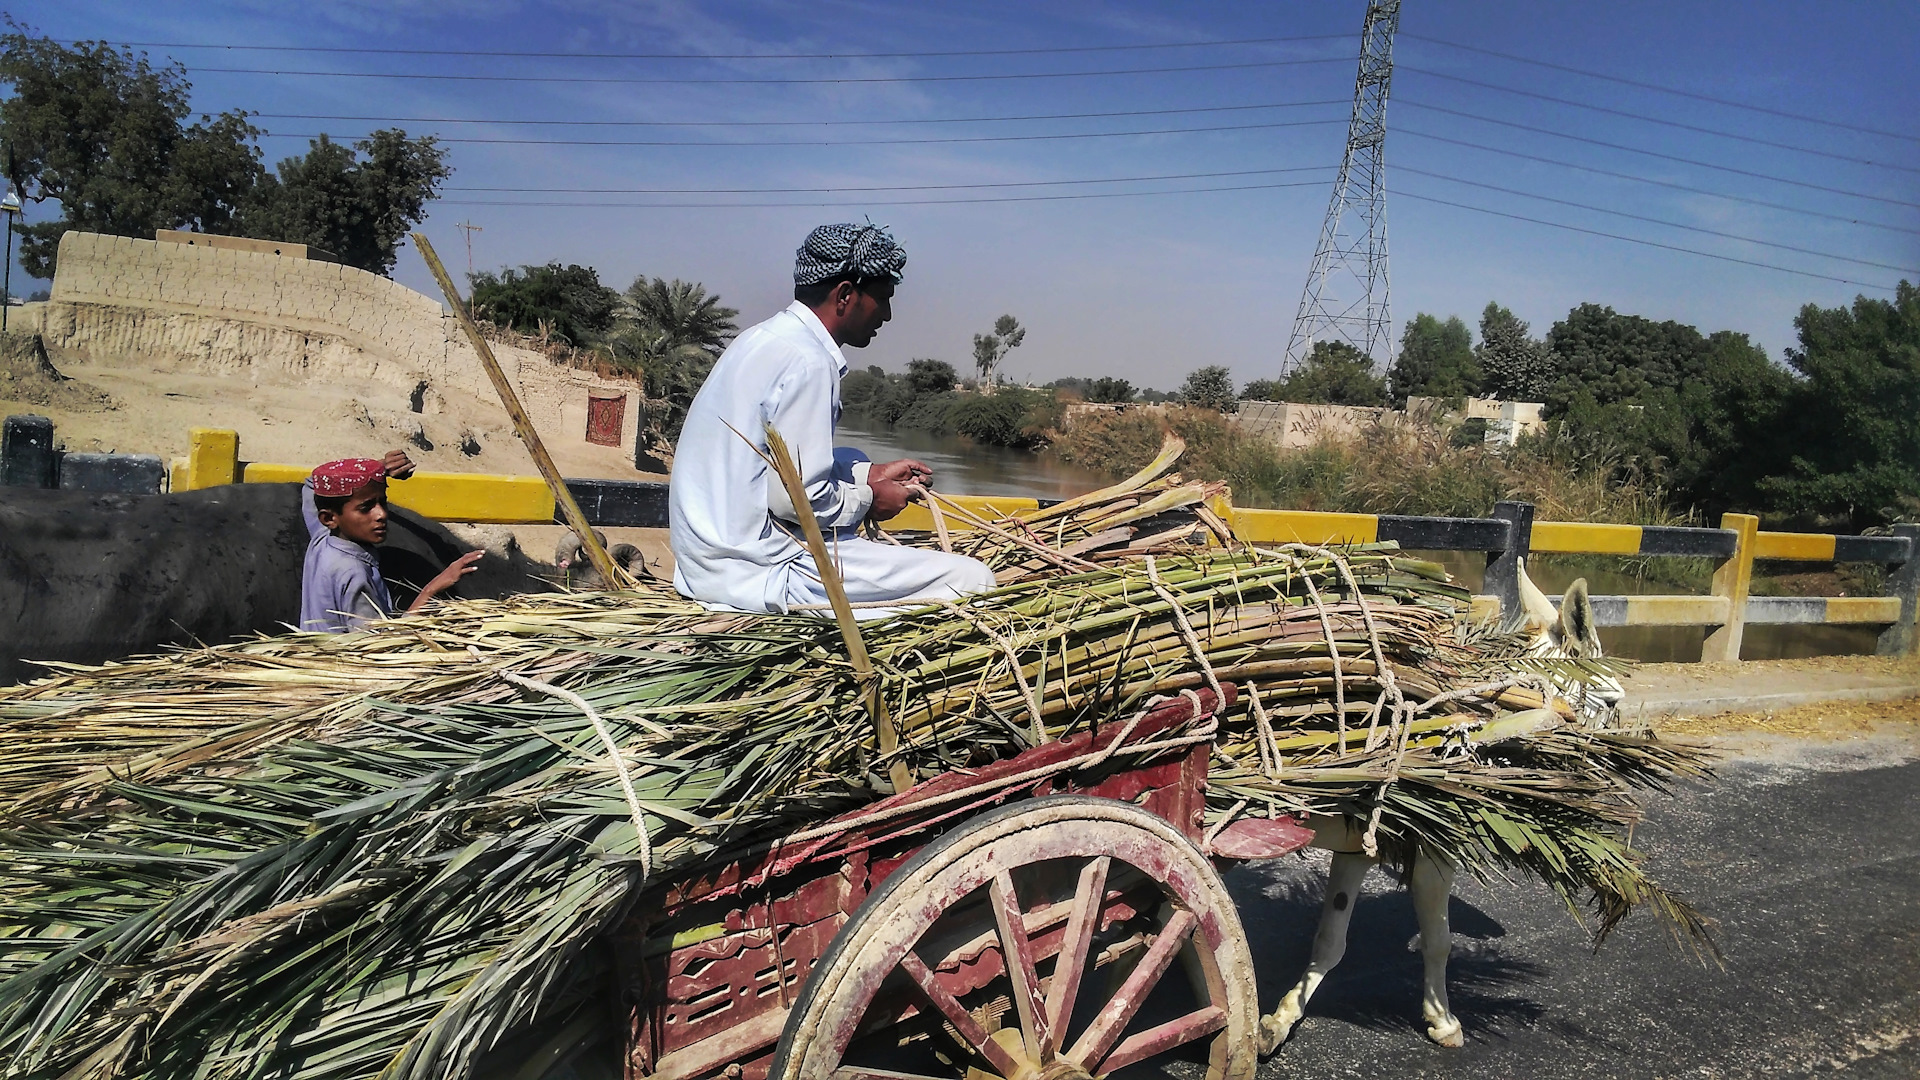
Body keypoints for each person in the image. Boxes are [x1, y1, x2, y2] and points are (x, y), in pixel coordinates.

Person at [669, 223, 996, 618]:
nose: (888, 315)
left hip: (706, 563)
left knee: (853, 457)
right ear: (845, 295)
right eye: (882, 299)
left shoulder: (762, 338)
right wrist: (871, 500)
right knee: (972, 580)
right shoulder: (809, 361)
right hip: (760, 572)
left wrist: (867, 474)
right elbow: (795, 498)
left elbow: (776, 466)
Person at [300, 451, 483, 632]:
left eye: (383, 503)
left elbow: (311, 486)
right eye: (366, 508)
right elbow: (374, 644)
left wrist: (376, 471)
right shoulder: (354, 573)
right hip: (343, 660)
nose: (381, 514)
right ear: (329, 518)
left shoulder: (323, 538)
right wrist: (432, 589)